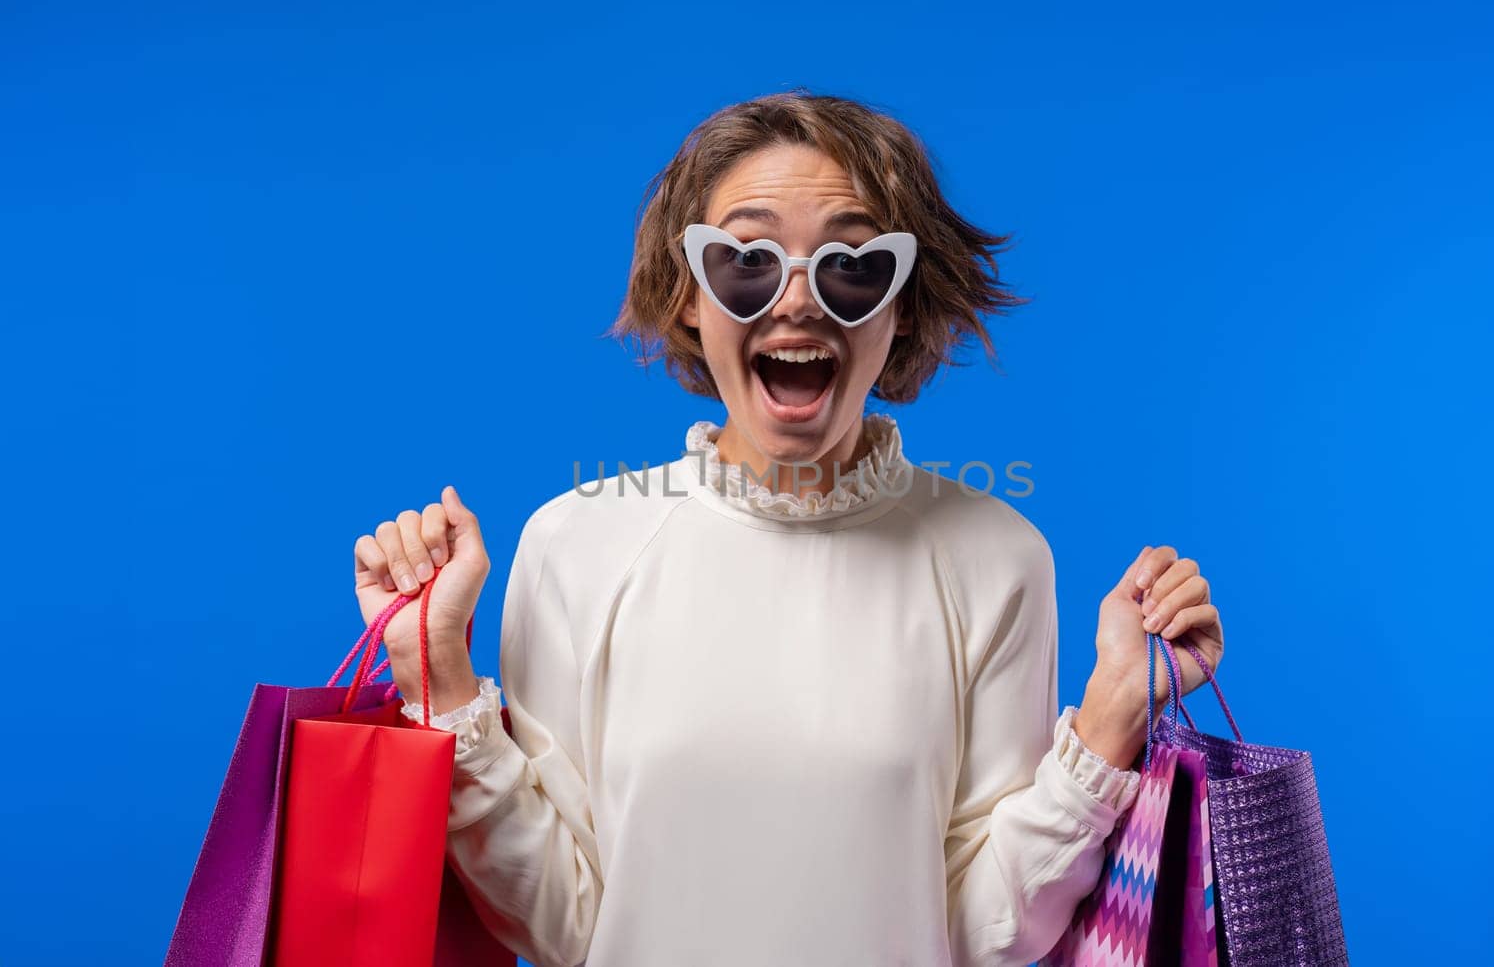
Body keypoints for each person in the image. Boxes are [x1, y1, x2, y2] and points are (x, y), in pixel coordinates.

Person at [351, 90, 1225, 967]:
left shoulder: (996, 555)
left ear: (905, 304)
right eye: (747, 260)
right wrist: (440, 676)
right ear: (688, 296)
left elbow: (978, 934)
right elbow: (563, 924)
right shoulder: (575, 545)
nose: (799, 302)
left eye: (852, 264)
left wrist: (1113, 713)